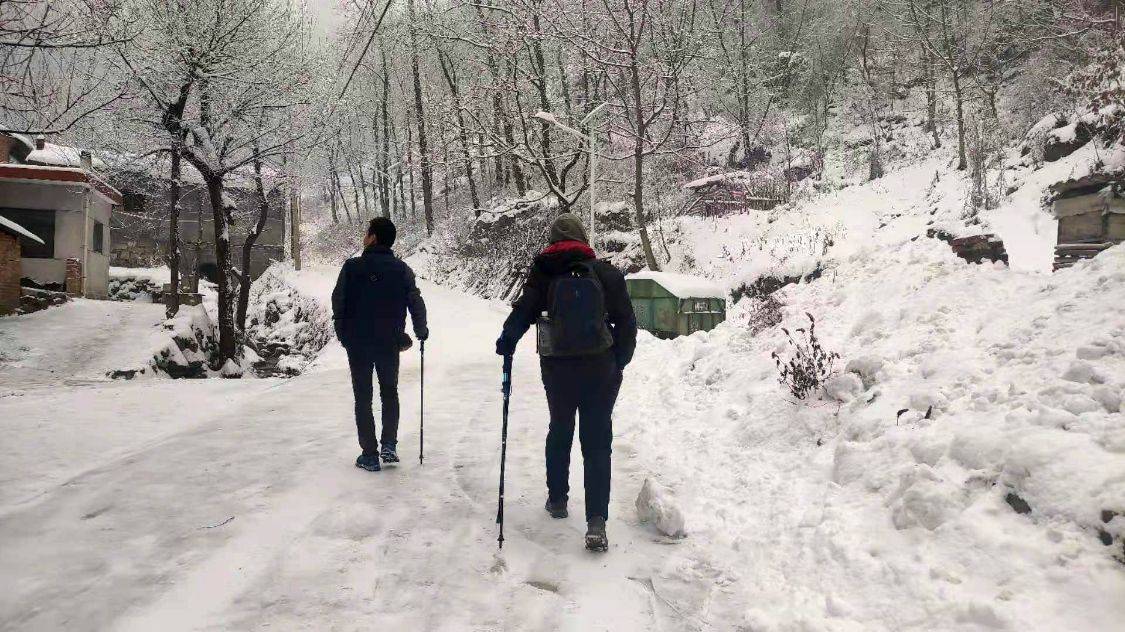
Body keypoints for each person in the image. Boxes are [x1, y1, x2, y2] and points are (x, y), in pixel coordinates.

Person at [495, 212, 637, 551]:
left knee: (560, 428)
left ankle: (557, 500)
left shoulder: (544, 274)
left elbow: (522, 313)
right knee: (597, 440)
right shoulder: (606, 273)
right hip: (600, 367)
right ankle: (596, 521)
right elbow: (627, 324)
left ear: (552, 243)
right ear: (583, 239)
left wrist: (506, 341)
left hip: (557, 368)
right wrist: (618, 361)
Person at [332, 217, 428, 472]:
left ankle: (370, 454)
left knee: (363, 397)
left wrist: (343, 334)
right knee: (389, 392)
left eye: (367, 232)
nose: (364, 236)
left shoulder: (352, 267)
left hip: (358, 343)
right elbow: (415, 301)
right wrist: (421, 330)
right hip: (389, 341)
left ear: (373, 237)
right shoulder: (402, 269)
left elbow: (338, 302)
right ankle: (389, 445)